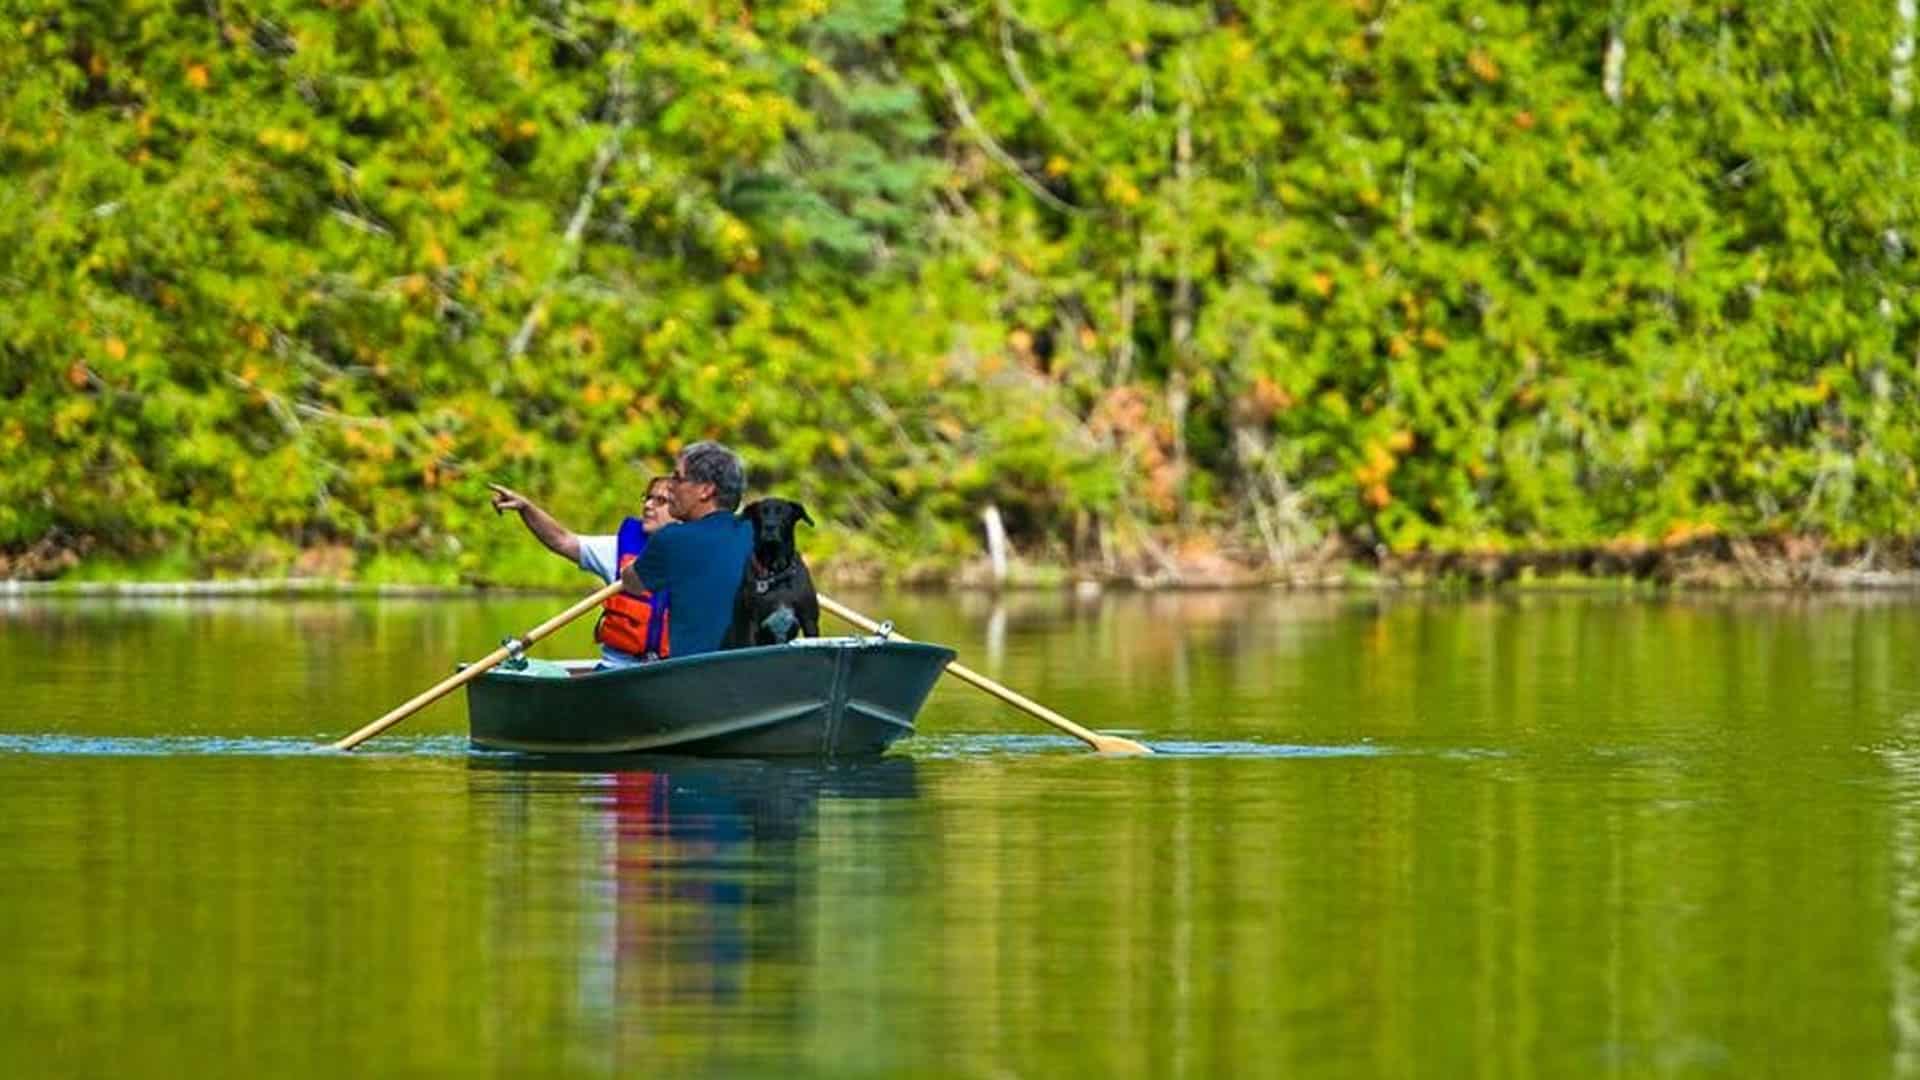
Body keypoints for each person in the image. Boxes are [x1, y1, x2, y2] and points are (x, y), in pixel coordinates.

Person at [488, 475, 678, 667]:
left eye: (660, 501)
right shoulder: (617, 550)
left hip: (673, 669)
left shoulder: (698, 555)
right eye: (647, 498)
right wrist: (526, 508)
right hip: (618, 668)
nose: (648, 506)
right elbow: (562, 540)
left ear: (680, 509)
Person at [619, 440, 754, 657]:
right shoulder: (758, 532)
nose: (670, 485)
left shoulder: (671, 539)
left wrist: (631, 566)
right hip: (754, 672)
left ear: (706, 490)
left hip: (693, 678)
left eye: (677, 478)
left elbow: (632, 583)